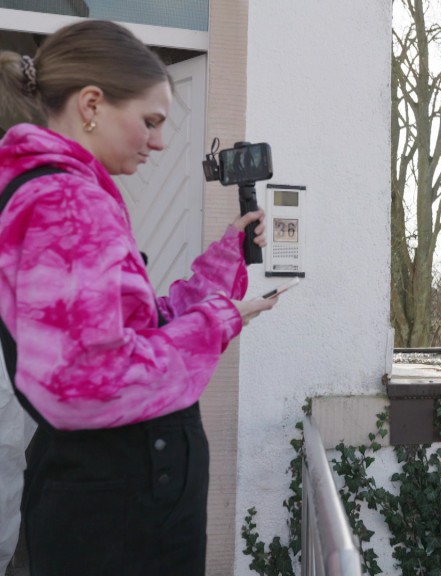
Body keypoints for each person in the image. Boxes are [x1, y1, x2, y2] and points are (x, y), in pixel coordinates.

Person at [0, 20, 277, 575]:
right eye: (150, 121)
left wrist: (224, 262)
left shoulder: (64, 193)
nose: (159, 141)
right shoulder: (67, 203)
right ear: (92, 104)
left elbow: (134, 327)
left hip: (111, 499)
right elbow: (87, 381)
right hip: (119, 510)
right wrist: (219, 320)